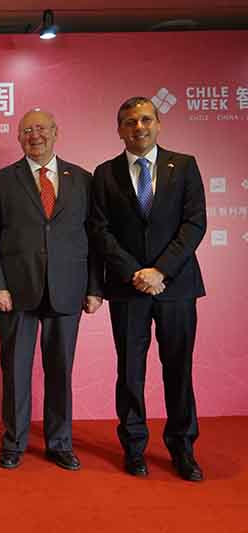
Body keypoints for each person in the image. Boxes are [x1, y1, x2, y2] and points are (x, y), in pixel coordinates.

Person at [89, 97, 207, 481]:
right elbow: (100, 230)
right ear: (119, 130)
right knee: (130, 373)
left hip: (176, 287)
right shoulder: (104, 174)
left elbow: (194, 224)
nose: (138, 127)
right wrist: (134, 272)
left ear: (158, 124)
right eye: (129, 122)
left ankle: (182, 447)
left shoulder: (184, 166)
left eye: (144, 120)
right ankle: (134, 446)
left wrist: (160, 271)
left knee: (178, 369)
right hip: (127, 289)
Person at [0, 109, 104, 471]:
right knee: (15, 370)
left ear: (55, 132)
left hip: (68, 290)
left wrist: (95, 287)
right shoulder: (2, 181)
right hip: (16, 293)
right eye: (27, 131)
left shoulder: (82, 179)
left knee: (60, 370)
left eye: (42, 129)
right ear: (19, 138)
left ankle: (60, 442)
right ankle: (14, 442)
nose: (35, 135)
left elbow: (94, 238)